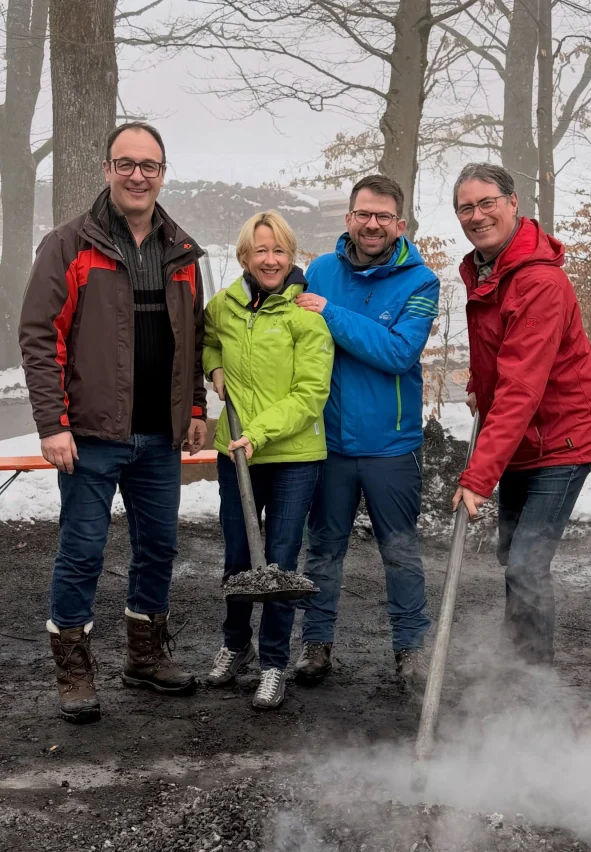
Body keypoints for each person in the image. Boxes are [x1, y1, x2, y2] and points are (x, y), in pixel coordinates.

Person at [19, 121, 208, 724]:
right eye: (125, 163)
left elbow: (193, 339)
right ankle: (74, 670)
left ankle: (144, 657)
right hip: (91, 435)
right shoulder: (68, 245)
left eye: (149, 165)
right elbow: (39, 337)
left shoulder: (182, 251)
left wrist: (195, 409)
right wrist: (52, 424)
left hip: (159, 437)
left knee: (159, 548)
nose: (137, 175)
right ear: (107, 170)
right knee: (82, 552)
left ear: (163, 173)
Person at [451, 162, 591, 664]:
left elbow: (521, 387)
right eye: (466, 208)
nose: (477, 215)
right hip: (522, 438)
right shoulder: (487, 268)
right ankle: (516, 660)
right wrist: (478, 385)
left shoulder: (539, 281)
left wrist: (477, 478)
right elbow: (498, 351)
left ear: (513, 202)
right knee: (513, 555)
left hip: (562, 439)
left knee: (526, 564)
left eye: (487, 203)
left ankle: (531, 684)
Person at [293, 175, 440, 685]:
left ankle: (410, 648)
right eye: (363, 214)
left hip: (390, 446)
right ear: (349, 218)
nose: (372, 224)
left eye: (383, 216)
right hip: (327, 444)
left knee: (400, 552)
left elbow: (399, 352)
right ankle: (315, 644)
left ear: (400, 223)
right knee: (323, 549)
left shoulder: (421, 281)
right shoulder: (319, 271)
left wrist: (330, 313)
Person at [203, 211, 334, 710]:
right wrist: (214, 367)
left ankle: (274, 663)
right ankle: (236, 644)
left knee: (279, 562)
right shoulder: (224, 306)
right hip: (235, 453)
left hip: (293, 455)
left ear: (291, 255)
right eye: (261, 250)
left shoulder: (306, 317)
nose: (271, 259)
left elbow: (310, 394)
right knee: (238, 557)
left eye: (280, 250)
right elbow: (207, 339)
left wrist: (258, 433)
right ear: (244, 256)